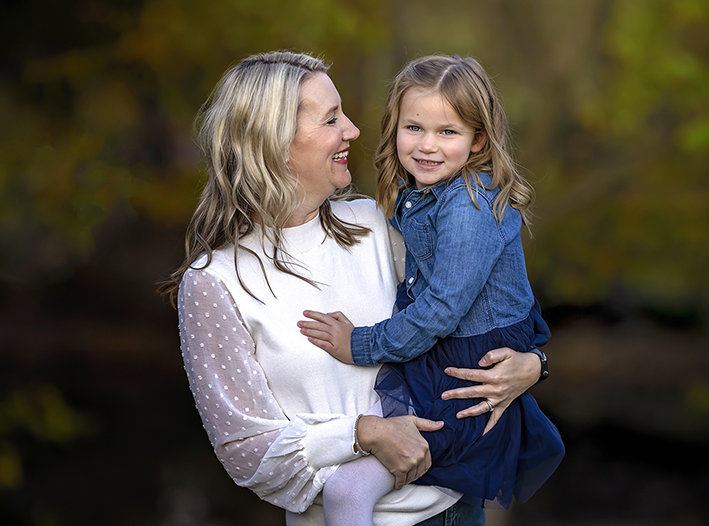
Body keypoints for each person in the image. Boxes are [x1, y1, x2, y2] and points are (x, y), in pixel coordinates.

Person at [163, 51, 546, 526]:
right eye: (331, 119)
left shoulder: (372, 221)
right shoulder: (214, 283)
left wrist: (533, 364)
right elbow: (246, 452)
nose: (353, 130)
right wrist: (363, 433)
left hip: (455, 510)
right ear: (274, 143)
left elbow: (473, 303)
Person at [297, 55, 564, 526]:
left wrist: (358, 343)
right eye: (413, 127)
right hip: (447, 352)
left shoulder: (467, 208)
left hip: (465, 370)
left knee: (350, 487)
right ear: (393, 126)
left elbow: (440, 309)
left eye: (447, 132)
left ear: (478, 139)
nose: (426, 146)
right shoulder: (420, 191)